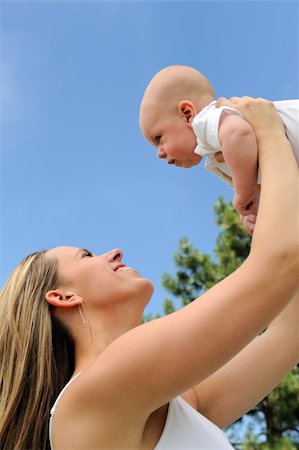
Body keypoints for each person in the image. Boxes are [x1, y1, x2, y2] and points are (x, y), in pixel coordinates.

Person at [0, 98, 298, 450]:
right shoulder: (95, 394)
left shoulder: (178, 404)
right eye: (87, 255)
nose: (115, 252)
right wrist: (268, 131)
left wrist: (271, 208)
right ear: (63, 297)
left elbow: (288, 333)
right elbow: (280, 263)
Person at [139, 65, 299, 234]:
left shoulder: (206, 121)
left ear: (187, 114)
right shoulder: (220, 155)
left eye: (158, 138)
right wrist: (254, 210)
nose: (159, 153)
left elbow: (238, 134)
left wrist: (244, 193)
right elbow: (270, 182)